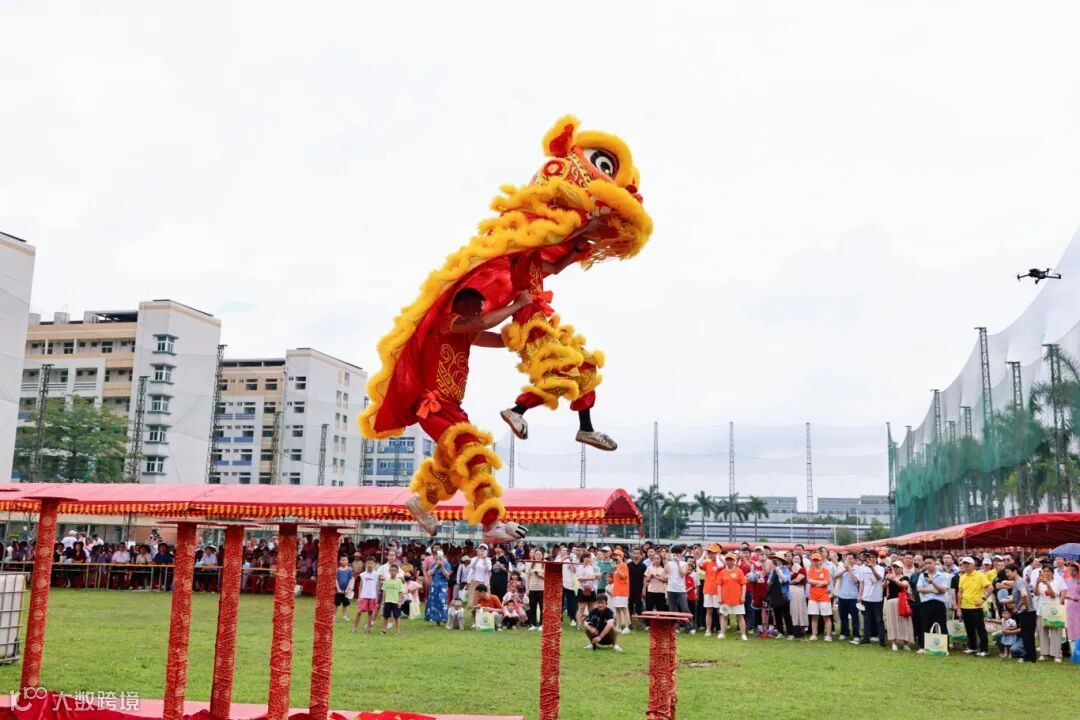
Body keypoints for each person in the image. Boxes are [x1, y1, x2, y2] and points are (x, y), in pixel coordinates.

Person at [398, 287, 534, 544]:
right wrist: (517, 305)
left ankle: (422, 503)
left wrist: (525, 331)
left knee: (456, 467)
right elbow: (483, 323)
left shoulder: (465, 333)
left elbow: (498, 339)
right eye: (477, 307)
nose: (480, 312)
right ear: (462, 305)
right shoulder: (447, 322)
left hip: (452, 409)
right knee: (476, 455)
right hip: (435, 407)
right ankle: (490, 524)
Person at [499, 234, 617, 452]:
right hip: (529, 319)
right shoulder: (519, 255)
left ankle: (586, 428)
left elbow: (554, 268)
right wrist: (581, 231)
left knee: (585, 365)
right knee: (563, 372)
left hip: (543, 318)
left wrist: (575, 250)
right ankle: (517, 410)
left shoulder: (533, 257)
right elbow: (547, 237)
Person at [956, 556, 991, 656]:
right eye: (964, 564)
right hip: (964, 606)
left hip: (976, 607)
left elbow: (990, 588)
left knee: (980, 629)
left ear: (973, 565)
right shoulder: (962, 577)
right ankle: (973, 647)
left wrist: (983, 599)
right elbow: (960, 592)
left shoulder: (980, 575)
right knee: (969, 628)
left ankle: (984, 650)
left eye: (968, 564)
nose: (965, 565)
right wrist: (958, 608)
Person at [1005, 564, 1037, 663]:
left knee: (1027, 635)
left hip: (1027, 612)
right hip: (1026, 612)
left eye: (1008, 572)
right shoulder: (1017, 581)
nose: (1007, 574)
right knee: (1026, 635)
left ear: (1015, 571)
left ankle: (1029, 657)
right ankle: (1030, 655)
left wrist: (1025, 606)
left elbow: (1024, 594)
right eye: (1006, 572)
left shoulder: (1019, 582)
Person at [1034, 566, 1065, 662]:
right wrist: (1037, 583)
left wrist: (1047, 583)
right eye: (1044, 571)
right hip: (1041, 609)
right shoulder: (1040, 583)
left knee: (1055, 631)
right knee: (1042, 632)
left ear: (1052, 573)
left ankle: (1056, 654)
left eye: (1048, 571)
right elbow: (1036, 593)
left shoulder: (1056, 582)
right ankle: (1044, 653)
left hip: (1053, 610)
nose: (1046, 573)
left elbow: (1052, 595)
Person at [852, 551, 884, 647]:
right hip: (866, 597)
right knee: (866, 619)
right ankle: (866, 637)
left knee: (879, 619)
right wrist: (860, 595)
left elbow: (879, 578)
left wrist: (872, 568)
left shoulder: (880, 568)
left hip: (877, 598)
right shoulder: (863, 569)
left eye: (873, 557)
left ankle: (882, 639)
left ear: (876, 558)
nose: (871, 559)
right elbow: (861, 583)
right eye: (869, 557)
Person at [716, 552, 748, 641]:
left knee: (740, 616)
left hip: (737, 599)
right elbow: (719, 585)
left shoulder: (739, 571)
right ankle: (722, 633)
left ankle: (743, 634)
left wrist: (743, 596)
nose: (729, 562)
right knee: (724, 616)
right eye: (727, 560)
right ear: (725, 561)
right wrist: (719, 597)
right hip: (725, 599)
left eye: (731, 560)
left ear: (734, 561)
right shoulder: (722, 572)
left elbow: (743, 585)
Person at [883, 561, 913, 651]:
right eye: (894, 567)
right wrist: (886, 579)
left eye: (897, 567)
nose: (895, 569)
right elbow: (883, 586)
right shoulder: (890, 577)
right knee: (892, 621)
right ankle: (893, 642)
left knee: (904, 622)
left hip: (901, 600)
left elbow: (904, 585)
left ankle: (905, 643)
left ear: (901, 568)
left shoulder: (904, 577)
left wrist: (894, 579)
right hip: (890, 601)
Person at [664, 547, 694, 633]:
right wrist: (667, 560)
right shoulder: (669, 563)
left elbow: (682, 574)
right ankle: (675, 627)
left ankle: (690, 627)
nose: (676, 555)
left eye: (678, 553)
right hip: (671, 589)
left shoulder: (684, 563)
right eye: (674, 553)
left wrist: (677, 563)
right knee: (672, 609)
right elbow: (665, 572)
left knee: (685, 608)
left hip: (681, 590)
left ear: (680, 554)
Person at [806, 552, 833, 642]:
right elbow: (809, 581)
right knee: (814, 616)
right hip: (813, 596)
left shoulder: (825, 571)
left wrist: (816, 582)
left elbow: (826, 582)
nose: (815, 562)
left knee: (826, 616)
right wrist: (820, 582)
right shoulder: (811, 570)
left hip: (824, 597)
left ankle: (828, 635)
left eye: (817, 560)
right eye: (814, 560)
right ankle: (814, 634)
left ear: (821, 561)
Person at [697, 544, 722, 637]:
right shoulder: (707, 563)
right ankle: (708, 629)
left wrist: (717, 556)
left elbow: (720, 566)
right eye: (710, 553)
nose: (711, 554)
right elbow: (698, 563)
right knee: (709, 611)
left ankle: (721, 629)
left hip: (717, 591)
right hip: (707, 590)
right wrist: (704, 554)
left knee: (719, 611)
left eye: (712, 553)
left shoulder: (720, 562)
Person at [836, 553, 861, 641]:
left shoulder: (858, 569)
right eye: (847, 559)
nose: (849, 560)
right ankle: (844, 633)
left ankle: (856, 635)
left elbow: (856, 581)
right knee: (843, 617)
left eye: (850, 558)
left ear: (855, 560)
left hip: (853, 597)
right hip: (842, 596)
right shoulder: (841, 567)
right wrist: (844, 570)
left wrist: (849, 570)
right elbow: (834, 576)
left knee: (854, 617)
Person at [352, 557, 380, 633]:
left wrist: (377, 597)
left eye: (371, 563)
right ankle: (354, 628)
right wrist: (359, 597)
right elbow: (360, 586)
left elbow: (377, 586)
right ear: (365, 564)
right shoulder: (362, 575)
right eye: (368, 563)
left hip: (372, 596)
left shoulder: (376, 574)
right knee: (359, 612)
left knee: (370, 612)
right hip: (363, 596)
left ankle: (368, 628)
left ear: (374, 564)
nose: (369, 564)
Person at [425, 549, 453, 624]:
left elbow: (447, 576)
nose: (436, 557)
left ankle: (444, 618)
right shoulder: (433, 564)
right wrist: (436, 566)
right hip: (434, 586)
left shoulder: (447, 564)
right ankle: (436, 619)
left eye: (437, 555)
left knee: (442, 601)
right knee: (434, 602)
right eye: (435, 555)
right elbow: (429, 574)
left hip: (442, 586)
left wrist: (442, 566)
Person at [608, 549, 631, 634]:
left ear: (621, 557)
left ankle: (627, 627)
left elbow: (624, 577)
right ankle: (618, 626)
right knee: (617, 609)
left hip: (623, 591)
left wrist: (617, 568)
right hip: (617, 591)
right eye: (614, 556)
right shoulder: (616, 566)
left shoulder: (623, 565)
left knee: (624, 608)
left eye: (617, 555)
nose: (615, 557)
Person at [524, 548, 546, 630]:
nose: (538, 556)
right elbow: (527, 577)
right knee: (532, 606)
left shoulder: (545, 564)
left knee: (542, 607)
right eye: (536, 554)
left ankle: (541, 624)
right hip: (532, 588)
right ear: (534, 555)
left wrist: (540, 575)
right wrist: (527, 588)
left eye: (540, 554)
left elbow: (548, 577)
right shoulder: (530, 564)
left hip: (542, 588)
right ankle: (533, 624)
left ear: (542, 556)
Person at [380, 565, 405, 635]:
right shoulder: (386, 580)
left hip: (395, 601)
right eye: (391, 570)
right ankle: (384, 630)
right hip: (387, 601)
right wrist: (383, 601)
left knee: (396, 616)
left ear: (397, 572)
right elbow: (384, 591)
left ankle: (398, 631)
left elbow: (400, 592)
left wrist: (399, 602)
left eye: (394, 570)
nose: (392, 572)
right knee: (385, 616)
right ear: (389, 571)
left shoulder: (399, 581)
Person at [644, 549, 668, 617]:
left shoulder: (663, 569)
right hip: (651, 591)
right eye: (655, 558)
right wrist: (650, 577)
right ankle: (648, 622)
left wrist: (657, 577)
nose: (656, 560)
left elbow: (666, 580)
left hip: (660, 591)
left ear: (660, 560)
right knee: (649, 608)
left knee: (660, 609)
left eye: (658, 558)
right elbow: (646, 580)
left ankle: (660, 622)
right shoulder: (649, 568)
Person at [1063, 560, 1080, 652]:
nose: (1072, 572)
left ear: (1077, 571)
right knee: (1071, 627)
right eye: (1071, 570)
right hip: (1069, 606)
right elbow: (1062, 594)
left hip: (1078, 607)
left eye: (1074, 570)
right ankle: (1073, 650)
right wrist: (1070, 597)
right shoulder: (1066, 581)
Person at [627, 547, 647, 621]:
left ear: (640, 555)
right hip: (630, 588)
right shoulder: (628, 565)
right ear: (632, 554)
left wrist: (644, 589)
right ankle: (629, 622)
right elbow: (626, 578)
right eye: (634, 553)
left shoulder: (643, 566)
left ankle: (640, 622)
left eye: (637, 553)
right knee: (630, 605)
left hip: (639, 589)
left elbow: (645, 578)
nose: (636, 555)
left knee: (639, 605)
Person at [334, 555, 353, 623]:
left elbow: (350, 580)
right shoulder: (338, 570)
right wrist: (338, 589)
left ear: (347, 561)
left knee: (345, 603)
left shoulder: (349, 570)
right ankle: (334, 616)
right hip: (338, 590)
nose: (344, 561)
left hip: (346, 591)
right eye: (342, 560)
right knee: (336, 603)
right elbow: (336, 580)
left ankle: (344, 616)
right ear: (340, 561)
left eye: (345, 560)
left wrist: (347, 589)